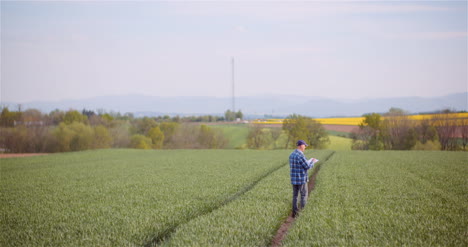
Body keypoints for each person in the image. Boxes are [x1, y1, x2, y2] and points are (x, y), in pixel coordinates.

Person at [289, 140, 317, 218]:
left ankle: (294, 213)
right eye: (305, 145)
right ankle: (303, 214)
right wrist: (312, 162)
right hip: (301, 179)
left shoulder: (291, 155)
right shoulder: (300, 155)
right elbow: (307, 166)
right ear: (301, 145)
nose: (305, 147)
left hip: (294, 179)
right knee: (303, 195)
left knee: (295, 196)